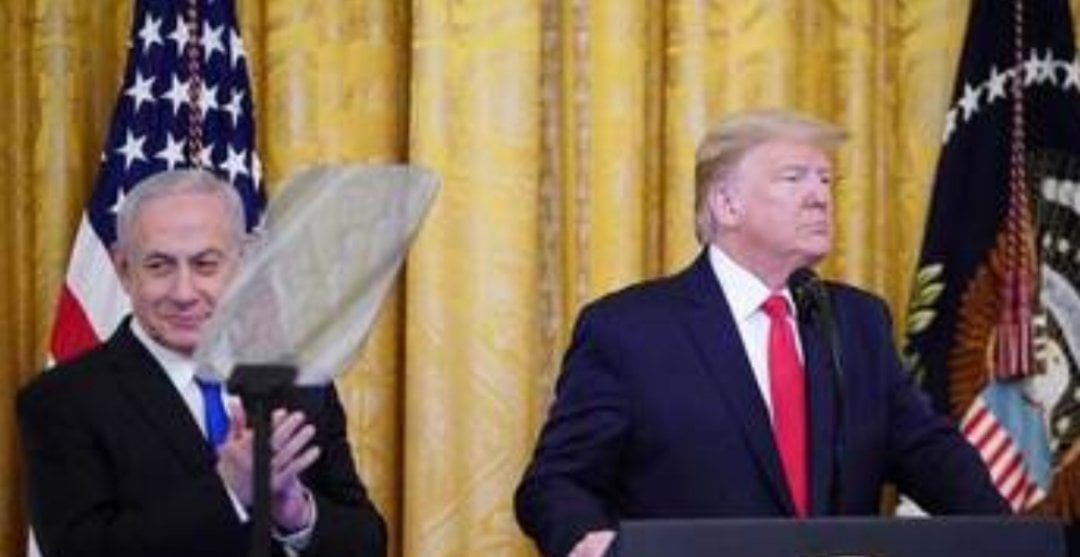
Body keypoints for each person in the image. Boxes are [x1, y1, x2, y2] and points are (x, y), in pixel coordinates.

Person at [514, 109, 1010, 557]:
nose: (819, 196)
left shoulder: (858, 322)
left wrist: (1016, 539)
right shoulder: (629, 331)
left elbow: (931, 456)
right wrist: (588, 542)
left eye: (826, 180)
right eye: (793, 178)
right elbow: (556, 483)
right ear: (726, 204)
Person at [18, 169, 386, 557]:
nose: (183, 293)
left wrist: (295, 514)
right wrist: (228, 490)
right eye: (159, 265)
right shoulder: (60, 401)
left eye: (205, 264)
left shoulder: (299, 385)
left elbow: (367, 543)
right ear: (124, 269)